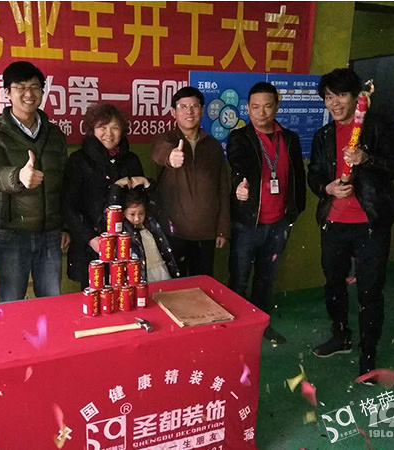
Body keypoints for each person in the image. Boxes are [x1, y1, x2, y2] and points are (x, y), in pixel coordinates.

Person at [308, 68, 394, 378]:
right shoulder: (324, 135)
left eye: (341, 95)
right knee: (333, 285)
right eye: (328, 97)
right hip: (334, 222)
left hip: (370, 223)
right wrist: (328, 188)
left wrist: (367, 159)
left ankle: (368, 352)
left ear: (355, 97)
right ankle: (341, 336)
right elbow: (314, 175)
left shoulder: (379, 128)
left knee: (369, 291)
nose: (334, 103)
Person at [0, 61, 69, 302]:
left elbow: (64, 182)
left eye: (35, 87)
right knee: (11, 304)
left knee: (51, 301)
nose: (29, 94)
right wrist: (18, 176)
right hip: (11, 234)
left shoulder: (55, 134)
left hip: (50, 233)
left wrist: (65, 226)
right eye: (20, 87)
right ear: (7, 93)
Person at [226, 82, 306, 344]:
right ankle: (237, 330)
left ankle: (261, 326)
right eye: (255, 107)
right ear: (248, 108)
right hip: (247, 223)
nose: (261, 113)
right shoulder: (240, 137)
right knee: (239, 278)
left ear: (277, 106)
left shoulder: (290, 139)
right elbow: (238, 163)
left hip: (279, 223)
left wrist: (295, 210)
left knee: (266, 279)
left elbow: (298, 175)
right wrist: (239, 185)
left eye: (267, 106)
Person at [63, 103, 148, 288]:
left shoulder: (131, 160)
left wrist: (146, 184)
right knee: (95, 298)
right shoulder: (78, 160)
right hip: (91, 246)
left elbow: (140, 201)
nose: (108, 133)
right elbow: (68, 205)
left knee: (128, 294)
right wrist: (91, 239)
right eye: (102, 127)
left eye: (114, 128)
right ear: (92, 130)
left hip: (127, 245)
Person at [151, 86, 230, 277]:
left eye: (194, 106)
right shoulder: (166, 139)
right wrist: (171, 156)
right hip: (173, 231)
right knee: (173, 286)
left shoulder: (213, 146)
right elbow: (159, 151)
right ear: (173, 112)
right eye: (183, 107)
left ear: (202, 110)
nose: (189, 111)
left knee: (201, 285)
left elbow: (222, 188)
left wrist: (222, 228)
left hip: (206, 231)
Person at [109, 185, 180, 282]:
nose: (137, 218)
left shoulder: (150, 225)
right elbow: (111, 210)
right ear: (123, 213)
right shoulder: (124, 230)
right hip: (140, 273)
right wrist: (117, 187)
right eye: (132, 214)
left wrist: (145, 183)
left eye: (141, 214)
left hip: (160, 268)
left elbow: (155, 202)